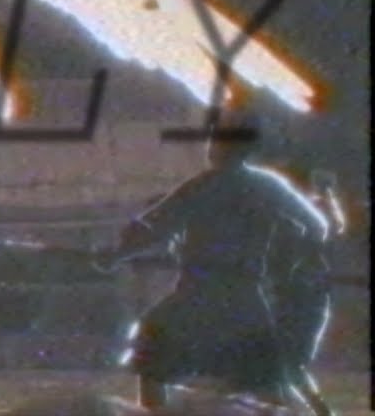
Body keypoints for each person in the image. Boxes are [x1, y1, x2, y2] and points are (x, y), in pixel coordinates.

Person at [96, 117, 329, 410]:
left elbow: (154, 230)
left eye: (214, 143)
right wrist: (293, 256)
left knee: (153, 361)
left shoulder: (200, 187)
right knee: (267, 383)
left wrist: (116, 256)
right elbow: (317, 226)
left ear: (222, 148)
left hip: (197, 296)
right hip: (246, 299)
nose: (210, 148)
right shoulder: (269, 187)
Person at [266, 167, 344, 416]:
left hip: (303, 297)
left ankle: (318, 411)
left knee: (290, 365)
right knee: (285, 365)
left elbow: (333, 226)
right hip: (293, 297)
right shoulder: (292, 217)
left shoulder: (301, 217)